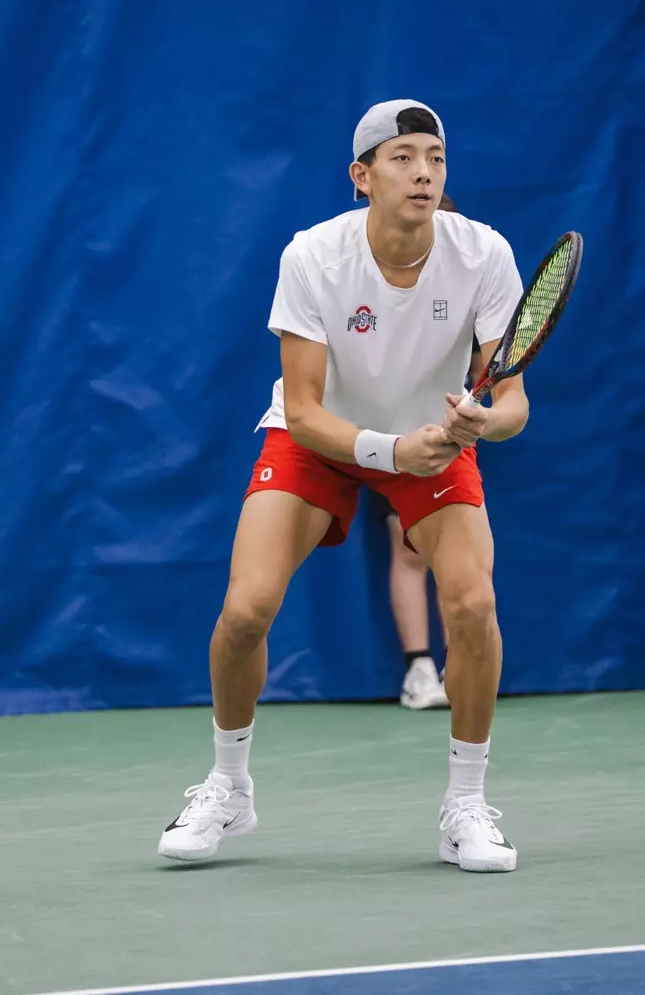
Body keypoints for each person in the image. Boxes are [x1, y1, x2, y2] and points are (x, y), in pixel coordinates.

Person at [157, 99, 529, 873]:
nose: (422, 170)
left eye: (434, 155)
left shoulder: (485, 254)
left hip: (432, 439)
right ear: (361, 177)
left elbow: (514, 405)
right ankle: (229, 786)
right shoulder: (314, 256)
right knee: (246, 609)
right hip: (323, 442)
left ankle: (465, 803)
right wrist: (393, 450)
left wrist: (477, 423)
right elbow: (303, 410)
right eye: (402, 157)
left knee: (473, 603)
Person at [374, 194, 483, 712]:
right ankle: (419, 669)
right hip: (379, 432)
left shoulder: (471, 279)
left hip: (442, 430)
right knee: (408, 549)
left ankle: (459, 668)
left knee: (457, 560)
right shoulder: (372, 278)